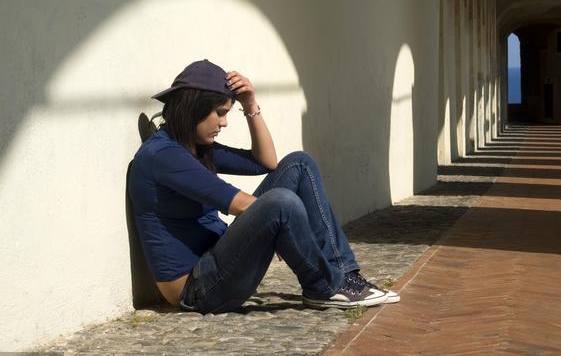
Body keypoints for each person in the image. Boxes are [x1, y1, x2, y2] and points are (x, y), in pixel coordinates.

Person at [127, 60, 399, 314]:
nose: (224, 122)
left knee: (299, 165)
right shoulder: (163, 156)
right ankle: (323, 286)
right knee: (281, 202)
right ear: (194, 108)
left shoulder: (195, 147)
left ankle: (344, 277)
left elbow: (266, 162)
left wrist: (250, 104)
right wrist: (283, 223)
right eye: (220, 113)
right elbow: (239, 204)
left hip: (219, 257)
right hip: (197, 288)